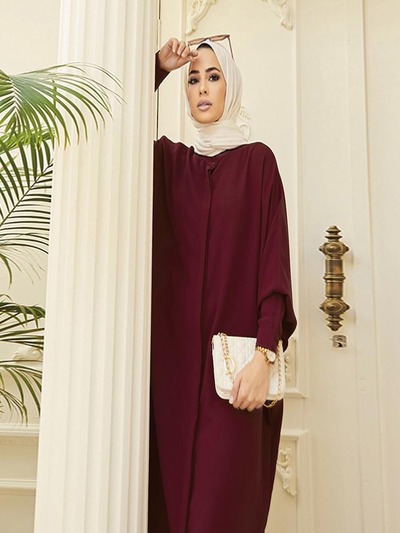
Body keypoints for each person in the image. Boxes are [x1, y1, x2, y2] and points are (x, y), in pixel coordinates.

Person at [149, 36, 297, 533]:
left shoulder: (258, 163)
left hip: (235, 376)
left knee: (221, 514)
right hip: (171, 378)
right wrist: (158, 69)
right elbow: (117, 132)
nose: (201, 88)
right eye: (193, 79)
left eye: (213, 76)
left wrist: (264, 356)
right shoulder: (169, 163)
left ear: (231, 84)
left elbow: (273, 266)